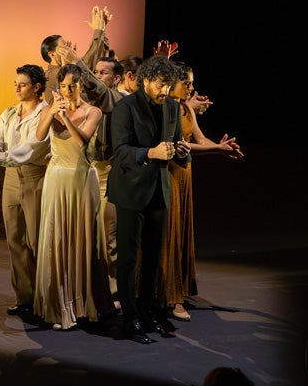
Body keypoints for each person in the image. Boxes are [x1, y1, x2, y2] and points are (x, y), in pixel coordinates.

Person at [106, 54, 189, 344]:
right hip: (130, 191)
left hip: (158, 190)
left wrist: (182, 152)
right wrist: (150, 153)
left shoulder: (172, 108)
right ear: (145, 80)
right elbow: (120, 153)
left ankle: (146, 311)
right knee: (128, 260)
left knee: (153, 258)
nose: (164, 91)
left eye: (168, 85)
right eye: (159, 84)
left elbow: (179, 144)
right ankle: (130, 320)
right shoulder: (125, 108)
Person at [159, 61, 241, 322]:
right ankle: (170, 297)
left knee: (180, 232)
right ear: (173, 83)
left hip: (184, 176)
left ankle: (179, 289)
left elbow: (199, 140)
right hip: (168, 174)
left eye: (192, 83)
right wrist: (216, 150)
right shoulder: (163, 109)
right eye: (188, 83)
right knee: (168, 235)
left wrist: (219, 146)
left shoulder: (186, 109)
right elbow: (177, 145)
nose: (192, 88)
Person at [32, 63, 107, 330]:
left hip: (80, 180)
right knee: (58, 239)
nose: (68, 90)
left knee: (80, 241)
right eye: (63, 86)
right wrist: (51, 111)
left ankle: (81, 304)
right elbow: (39, 136)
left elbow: (82, 141)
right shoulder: (54, 109)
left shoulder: (93, 111)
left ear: (82, 85)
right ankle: (58, 305)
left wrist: (64, 118)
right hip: (56, 179)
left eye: (73, 85)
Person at [0, 64, 50, 316]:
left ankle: (45, 299)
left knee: (37, 240)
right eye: (15, 83)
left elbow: (29, 150)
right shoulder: (10, 113)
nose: (16, 88)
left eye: (22, 84)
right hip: (11, 179)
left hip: (35, 177)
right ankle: (24, 297)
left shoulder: (46, 114)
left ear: (37, 87)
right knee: (15, 238)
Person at [88, 55, 124, 303]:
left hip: (109, 173)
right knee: (87, 235)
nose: (98, 77)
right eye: (96, 72)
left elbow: (101, 93)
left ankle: (116, 293)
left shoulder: (120, 100)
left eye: (103, 73)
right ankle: (92, 292)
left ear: (117, 78)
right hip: (88, 171)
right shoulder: (87, 103)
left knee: (110, 237)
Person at [39, 5, 116, 111]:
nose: (68, 48)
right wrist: (99, 31)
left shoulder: (65, 68)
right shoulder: (52, 74)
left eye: (67, 45)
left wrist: (101, 32)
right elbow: (87, 65)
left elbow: (88, 64)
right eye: (64, 46)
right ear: (51, 55)